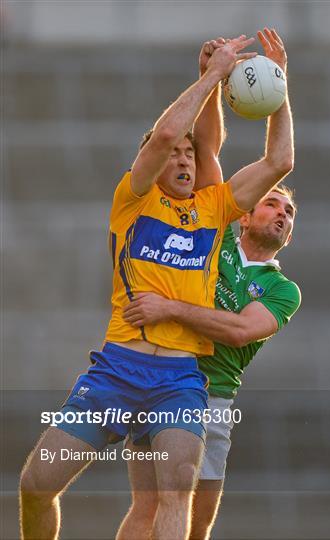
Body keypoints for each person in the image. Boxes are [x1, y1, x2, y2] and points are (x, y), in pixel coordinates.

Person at [19, 32, 293, 540]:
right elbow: (166, 134)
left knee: (174, 499)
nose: (185, 159)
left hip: (178, 383)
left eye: (191, 154)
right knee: (36, 484)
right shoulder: (134, 197)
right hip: (114, 373)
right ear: (149, 161)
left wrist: (278, 90)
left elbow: (279, 163)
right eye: (174, 154)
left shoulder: (214, 210)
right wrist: (211, 76)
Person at [119, 28, 300, 540]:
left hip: (215, 397)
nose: (281, 213)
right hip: (164, 374)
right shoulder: (213, 230)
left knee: (194, 530)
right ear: (244, 215)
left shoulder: (285, 291)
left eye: (289, 212)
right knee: (148, 510)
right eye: (271, 203)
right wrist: (210, 81)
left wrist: (280, 90)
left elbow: (240, 331)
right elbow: (205, 148)